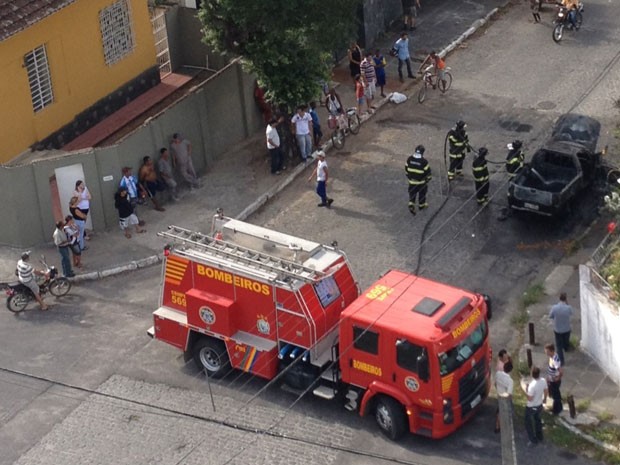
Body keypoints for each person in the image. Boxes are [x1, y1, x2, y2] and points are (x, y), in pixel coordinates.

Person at [523, 366, 547, 447]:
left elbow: (530, 398)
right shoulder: (543, 381)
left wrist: (526, 391)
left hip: (531, 407)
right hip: (539, 405)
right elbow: (546, 390)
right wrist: (545, 400)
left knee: (528, 423)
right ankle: (540, 436)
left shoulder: (532, 386)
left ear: (532, 374)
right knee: (538, 421)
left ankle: (533, 440)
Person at [405, 145, 432, 215]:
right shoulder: (424, 162)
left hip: (412, 181)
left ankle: (411, 204)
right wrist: (428, 179)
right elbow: (428, 172)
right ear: (422, 152)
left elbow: (406, 169)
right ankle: (421, 206)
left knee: (412, 193)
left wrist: (409, 177)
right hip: (421, 182)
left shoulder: (409, 159)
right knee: (422, 194)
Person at [549, 292, 573, 365]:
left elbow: (550, 316)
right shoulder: (568, 308)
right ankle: (566, 348)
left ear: (559, 298)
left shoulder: (554, 308)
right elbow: (571, 313)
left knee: (559, 346)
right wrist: (567, 304)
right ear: (565, 299)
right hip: (566, 329)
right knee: (566, 342)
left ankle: (561, 361)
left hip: (558, 329)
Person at [494, 357, 514, 433]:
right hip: (505, 398)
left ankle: (497, 426)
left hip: (499, 395)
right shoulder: (510, 381)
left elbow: (495, 384)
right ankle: (501, 426)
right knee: (506, 412)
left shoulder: (498, 374)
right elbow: (509, 394)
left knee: (499, 411)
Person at [545, 343, 564, 415]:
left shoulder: (555, 360)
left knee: (556, 396)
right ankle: (559, 407)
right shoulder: (551, 357)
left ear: (551, 351)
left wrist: (558, 378)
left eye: (547, 352)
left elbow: (561, 371)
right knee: (554, 394)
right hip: (551, 379)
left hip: (555, 381)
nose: (546, 354)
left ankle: (556, 410)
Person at [72, 180, 91, 249]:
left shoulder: (85, 188)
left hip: (86, 207)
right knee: (81, 221)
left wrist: (84, 197)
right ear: (78, 185)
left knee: (84, 221)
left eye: (83, 184)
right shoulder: (75, 191)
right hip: (80, 208)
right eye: (81, 184)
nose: (83, 185)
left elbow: (89, 197)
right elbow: (79, 199)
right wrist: (81, 193)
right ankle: (81, 236)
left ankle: (83, 234)